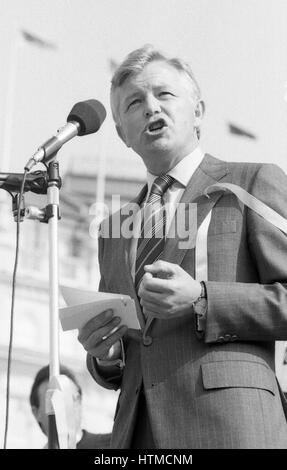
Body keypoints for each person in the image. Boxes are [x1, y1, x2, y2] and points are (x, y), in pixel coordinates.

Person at [78, 44, 287, 448]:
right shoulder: (113, 229)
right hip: (137, 436)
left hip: (230, 429)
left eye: (164, 94)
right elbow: (130, 353)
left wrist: (202, 300)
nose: (151, 107)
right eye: (135, 103)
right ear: (122, 133)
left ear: (198, 111)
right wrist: (104, 355)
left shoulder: (250, 184)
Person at [29, 364, 111, 449]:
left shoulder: (115, 444)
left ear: (79, 402)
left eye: (70, 399)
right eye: (54, 402)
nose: (64, 408)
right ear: (36, 413)